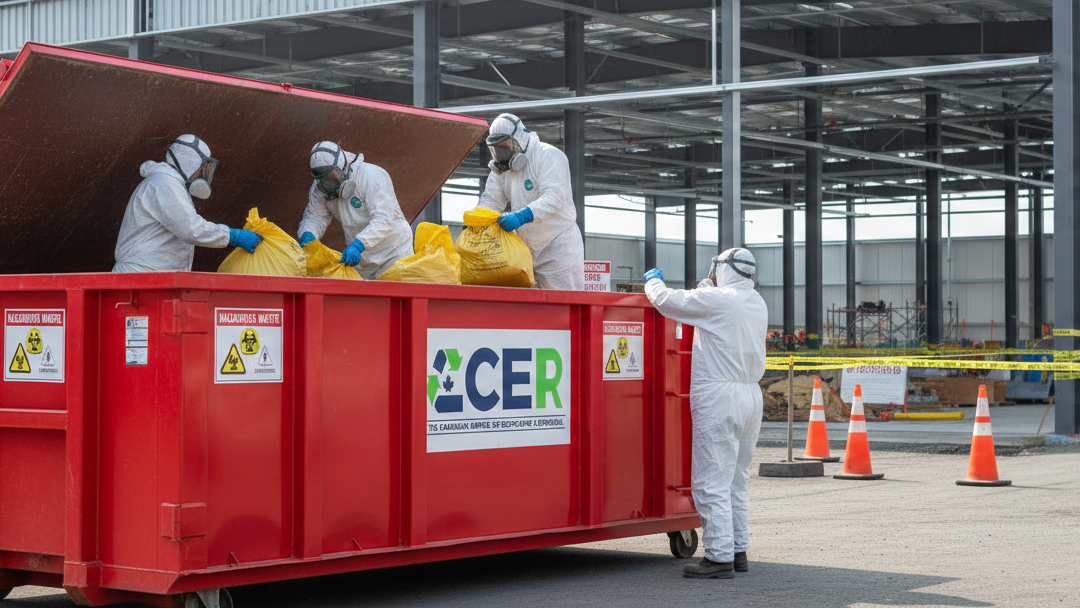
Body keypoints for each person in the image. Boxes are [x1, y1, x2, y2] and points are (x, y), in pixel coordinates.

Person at [643, 249, 768, 579]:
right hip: (751, 395)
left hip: (720, 397)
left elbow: (669, 302)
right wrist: (707, 289)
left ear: (724, 270)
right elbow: (710, 301)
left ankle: (718, 557)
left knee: (710, 481)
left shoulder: (719, 301)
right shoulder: (755, 301)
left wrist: (653, 283)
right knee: (736, 481)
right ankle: (738, 549)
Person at [113, 134, 262, 272]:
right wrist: (232, 236)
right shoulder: (164, 184)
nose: (200, 174)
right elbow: (191, 230)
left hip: (150, 274)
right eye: (201, 167)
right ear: (189, 162)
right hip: (141, 274)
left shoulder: (169, 184)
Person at [475, 113, 584, 290]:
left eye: (505, 147)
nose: (502, 153)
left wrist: (522, 215)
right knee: (528, 310)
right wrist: (478, 221)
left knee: (564, 309)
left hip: (557, 248)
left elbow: (554, 198)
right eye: (497, 149)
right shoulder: (502, 170)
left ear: (519, 139)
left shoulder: (548, 156)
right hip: (523, 251)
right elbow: (491, 199)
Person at [297, 141, 413, 280]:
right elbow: (315, 216)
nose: (329, 183)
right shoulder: (321, 188)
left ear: (343, 167)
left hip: (393, 255)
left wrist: (359, 245)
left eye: (332, 177)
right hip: (362, 262)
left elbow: (385, 219)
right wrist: (308, 233)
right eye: (323, 179)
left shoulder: (372, 176)